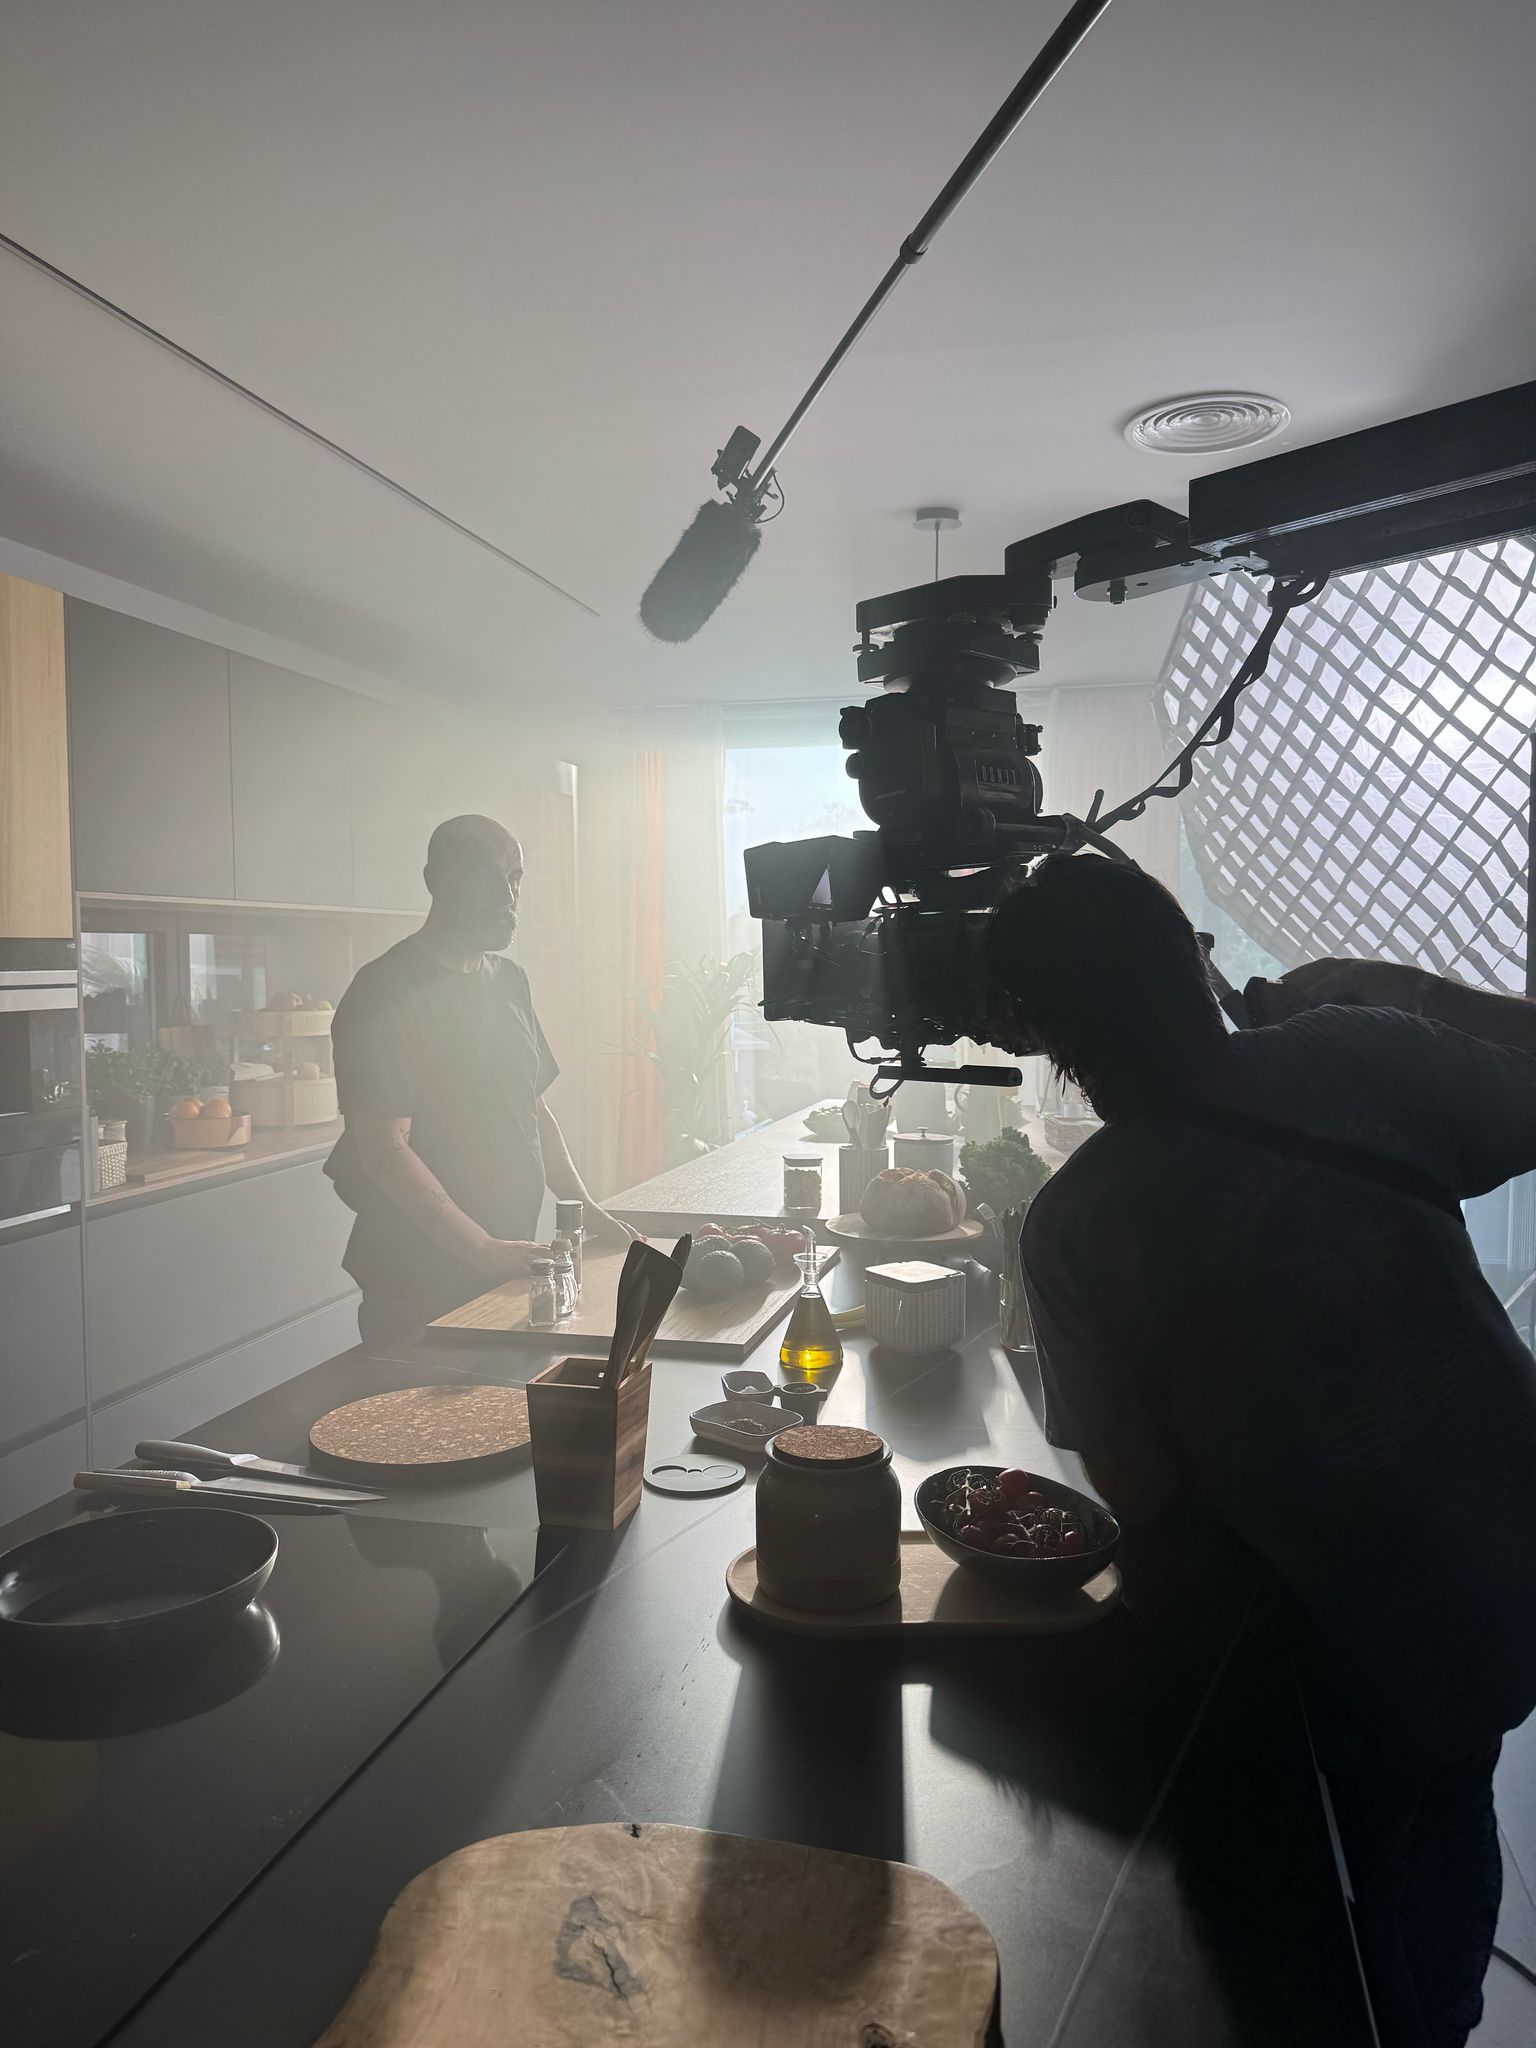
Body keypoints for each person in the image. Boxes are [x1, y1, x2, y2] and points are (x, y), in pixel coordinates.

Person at [984, 852, 1536, 2048]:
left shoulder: (1079, 1221)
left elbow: (1142, 1496)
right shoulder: (1363, 1052)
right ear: (1193, 956)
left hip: (1334, 1640)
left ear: (1049, 1041)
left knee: (1350, 1902)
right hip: (1505, 1553)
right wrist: (1408, 993)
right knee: (1440, 1825)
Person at [326, 815, 635, 1349]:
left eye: (514, 878)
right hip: (415, 1280)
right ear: (435, 880)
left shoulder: (510, 981)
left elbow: (531, 1107)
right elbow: (383, 1149)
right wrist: (482, 1249)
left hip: (504, 1264)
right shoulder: (382, 991)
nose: (507, 895)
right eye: (486, 876)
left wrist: (584, 1207)